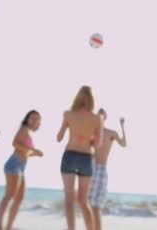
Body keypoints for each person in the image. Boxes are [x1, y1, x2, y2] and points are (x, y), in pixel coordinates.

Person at [57, 86, 104, 230]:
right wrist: (88, 138)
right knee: (84, 201)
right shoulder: (97, 119)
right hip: (86, 158)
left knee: (69, 200)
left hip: (70, 155)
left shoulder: (68, 114)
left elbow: (59, 138)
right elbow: (98, 145)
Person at [0, 110, 44, 230]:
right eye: (32, 118)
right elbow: (15, 144)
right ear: (27, 119)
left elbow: (24, 152)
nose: (34, 120)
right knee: (9, 195)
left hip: (21, 166)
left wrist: (34, 154)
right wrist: (34, 150)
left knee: (19, 197)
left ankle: (9, 226)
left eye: (37, 118)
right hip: (14, 164)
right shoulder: (24, 129)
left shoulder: (29, 132)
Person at [88, 108, 127, 230]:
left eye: (102, 114)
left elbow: (123, 144)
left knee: (97, 205)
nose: (100, 116)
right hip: (91, 167)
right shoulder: (91, 133)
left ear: (105, 117)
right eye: (98, 114)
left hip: (102, 169)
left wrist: (122, 126)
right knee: (89, 204)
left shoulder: (111, 133)